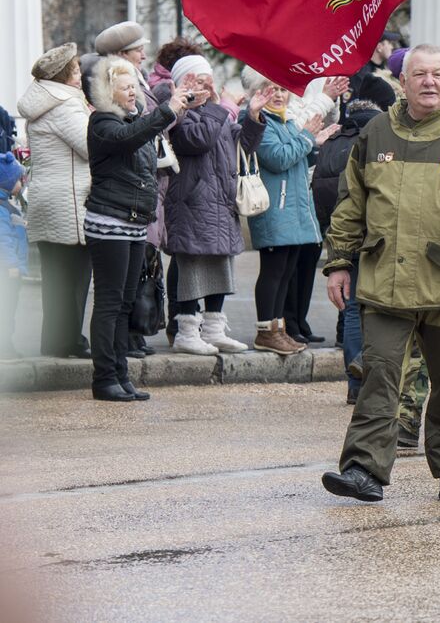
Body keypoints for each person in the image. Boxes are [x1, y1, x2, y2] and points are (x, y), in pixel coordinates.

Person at [321, 45, 440, 503]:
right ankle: (364, 471)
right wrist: (339, 262)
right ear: (401, 82)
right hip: (385, 280)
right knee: (380, 376)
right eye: (419, 74)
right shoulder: (375, 132)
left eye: (438, 75)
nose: (429, 82)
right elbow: (351, 204)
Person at [83, 57, 188, 401]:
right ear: (108, 92)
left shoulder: (132, 121)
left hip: (133, 222)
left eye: (135, 86)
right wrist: (166, 111)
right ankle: (104, 379)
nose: (133, 93)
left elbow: (143, 144)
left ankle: (121, 375)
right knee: (110, 303)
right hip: (109, 222)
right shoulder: (102, 122)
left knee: (125, 303)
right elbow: (129, 137)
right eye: (126, 87)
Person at [161, 53, 265, 356]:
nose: (207, 86)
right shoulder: (179, 113)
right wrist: (218, 108)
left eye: (208, 79)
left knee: (221, 266)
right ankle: (187, 331)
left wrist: (254, 117)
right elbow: (198, 139)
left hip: (220, 202)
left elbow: (242, 144)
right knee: (192, 269)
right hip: (192, 203)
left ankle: (215, 329)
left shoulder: (214, 113)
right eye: (199, 80)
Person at [239, 70, 337, 353]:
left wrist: (311, 141)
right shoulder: (263, 124)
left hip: (292, 208)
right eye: (272, 90)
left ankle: (279, 327)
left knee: (286, 272)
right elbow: (279, 158)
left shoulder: (283, 122)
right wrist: (307, 137)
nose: (279, 95)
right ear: (260, 94)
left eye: (283, 90)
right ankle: (265, 330)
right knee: (273, 271)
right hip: (275, 208)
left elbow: (297, 153)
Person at [17, 44, 93, 359]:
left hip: (50, 195)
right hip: (70, 199)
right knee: (74, 275)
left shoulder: (44, 103)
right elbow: (91, 147)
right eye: (76, 71)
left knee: (57, 276)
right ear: (64, 75)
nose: (80, 77)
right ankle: (68, 342)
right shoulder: (66, 105)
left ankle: (57, 341)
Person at [312, 99, 384, 403]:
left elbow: (323, 188)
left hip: (344, 234)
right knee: (379, 309)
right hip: (377, 237)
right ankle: (375, 383)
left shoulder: (332, 141)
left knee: (353, 309)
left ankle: (356, 386)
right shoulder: (379, 143)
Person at [0, 151, 28, 360]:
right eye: (19, 179)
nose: (22, 182)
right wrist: (11, 265)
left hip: (12, 269)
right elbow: (3, 239)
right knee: (7, 310)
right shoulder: (2, 210)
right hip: (8, 271)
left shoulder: (7, 206)